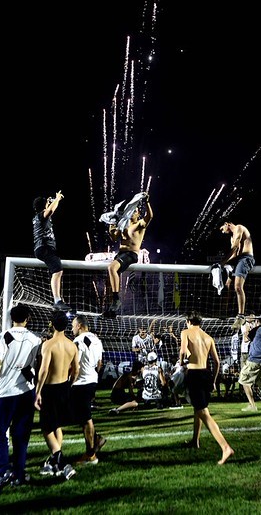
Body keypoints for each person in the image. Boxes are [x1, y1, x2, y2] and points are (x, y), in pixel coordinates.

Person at [0, 304, 42, 493]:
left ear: (11, 318)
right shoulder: (35, 339)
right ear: (28, 318)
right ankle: (19, 473)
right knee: (21, 435)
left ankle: (3, 472)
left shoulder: (5, 336)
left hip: (6, 391)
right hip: (27, 391)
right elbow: (38, 363)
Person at [179, 311, 234, 465]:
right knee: (199, 409)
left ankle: (225, 447)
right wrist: (214, 380)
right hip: (206, 374)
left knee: (203, 412)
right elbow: (217, 362)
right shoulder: (208, 337)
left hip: (194, 374)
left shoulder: (186, 332)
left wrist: (181, 363)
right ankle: (195, 441)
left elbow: (183, 351)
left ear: (188, 321)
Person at [35, 311, 78, 480]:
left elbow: (44, 370)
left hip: (50, 389)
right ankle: (55, 460)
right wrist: (70, 383)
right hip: (64, 387)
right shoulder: (72, 345)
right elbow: (76, 369)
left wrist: (37, 391)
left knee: (46, 427)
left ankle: (61, 461)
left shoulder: (48, 344)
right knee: (56, 425)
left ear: (51, 324)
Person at [104, 192, 153, 317]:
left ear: (138, 214)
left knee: (111, 267)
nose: (133, 211)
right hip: (120, 253)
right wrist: (112, 222)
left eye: (135, 210)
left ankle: (116, 299)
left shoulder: (139, 225)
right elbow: (114, 238)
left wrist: (146, 202)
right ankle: (112, 309)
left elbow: (150, 216)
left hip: (131, 254)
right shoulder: (123, 224)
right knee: (110, 278)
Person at [70, 314, 107, 464]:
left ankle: (91, 455)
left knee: (85, 418)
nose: (72, 328)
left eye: (73, 325)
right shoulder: (96, 339)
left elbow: (75, 366)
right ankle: (96, 439)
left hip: (81, 382)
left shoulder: (78, 341)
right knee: (79, 415)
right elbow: (100, 363)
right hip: (92, 380)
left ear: (79, 326)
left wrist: (70, 381)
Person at [33, 191, 71, 311]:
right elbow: (50, 211)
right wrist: (58, 198)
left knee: (56, 270)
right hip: (44, 248)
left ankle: (58, 299)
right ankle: (57, 300)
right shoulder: (41, 215)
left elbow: (49, 209)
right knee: (57, 271)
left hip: (44, 249)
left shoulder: (38, 217)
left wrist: (53, 201)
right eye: (47, 203)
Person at [219, 220, 255, 330]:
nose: (222, 232)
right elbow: (234, 253)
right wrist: (220, 265)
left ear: (227, 224)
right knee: (227, 285)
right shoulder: (231, 237)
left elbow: (234, 247)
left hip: (245, 258)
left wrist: (223, 262)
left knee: (238, 286)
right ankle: (223, 312)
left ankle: (241, 316)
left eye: (222, 228)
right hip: (237, 260)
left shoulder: (239, 227)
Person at [238, 316, 261, 411]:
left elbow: (246, 339)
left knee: (244, 381)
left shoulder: (257, 329)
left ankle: (252, 405)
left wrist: (247, 328)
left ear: (257, 321)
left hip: (254, 359)